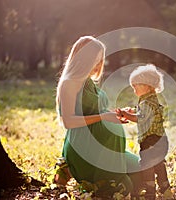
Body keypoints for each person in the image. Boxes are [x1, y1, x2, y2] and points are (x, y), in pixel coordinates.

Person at [54, 36, 141, 199]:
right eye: (96, 59)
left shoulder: (88, 82)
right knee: (124, 187)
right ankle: (68, 168)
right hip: (84, 148)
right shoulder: (69, 83)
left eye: (101, 59)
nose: (100, 64)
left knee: (141, 171)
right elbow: (68, 122)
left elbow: (95, 111)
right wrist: (102, 117)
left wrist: (117, 114)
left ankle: (69, 171)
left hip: (108, 148)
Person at [117, 64, 174, 200]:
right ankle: (165, 188)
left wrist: (126, 115)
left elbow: (140, 118)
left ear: (148, 86)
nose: (134, 89)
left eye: (136, 85)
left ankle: (149, 191)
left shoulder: (147, 103)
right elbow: (142, 112)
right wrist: (131, 111)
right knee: (158, 164)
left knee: (146, 165)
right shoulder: (149, 100)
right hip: (160, 140)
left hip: (151, 140)